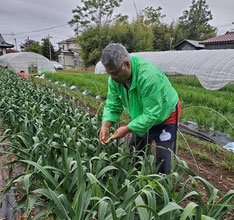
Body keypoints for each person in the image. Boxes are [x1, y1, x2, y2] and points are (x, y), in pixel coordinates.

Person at [99, 43, 181, 174]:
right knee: (135, 151)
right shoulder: (114, 80)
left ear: (127, 64)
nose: (112, 78)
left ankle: (162, 189)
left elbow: (152, 114)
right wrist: (106, 125)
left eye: (114, 74)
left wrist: (127, 129)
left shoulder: (149, 77)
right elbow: (113, 103)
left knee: (162, 158)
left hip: (165, 116)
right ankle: (136, 182)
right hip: (142, 116)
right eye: (108, 74)